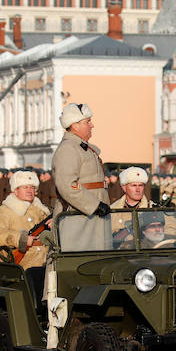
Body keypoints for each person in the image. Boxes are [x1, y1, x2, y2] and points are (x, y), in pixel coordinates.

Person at [51, 103, 111, 251]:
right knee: (78, 262)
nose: (92, 125)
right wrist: (94, 205)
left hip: (91, 218)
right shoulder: (68, 149)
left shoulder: (82, 148)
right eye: (87, 122)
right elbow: (67, 185)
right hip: (79, 219)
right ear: (75, 125)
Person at [0, 170, 51, 270]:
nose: (29, 191)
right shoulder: (4, 210)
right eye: (25, 187)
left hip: (46, 265)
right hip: (22, 267)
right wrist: (20, 239)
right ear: (15, 191)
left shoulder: (43, 211)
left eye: (32, 187)